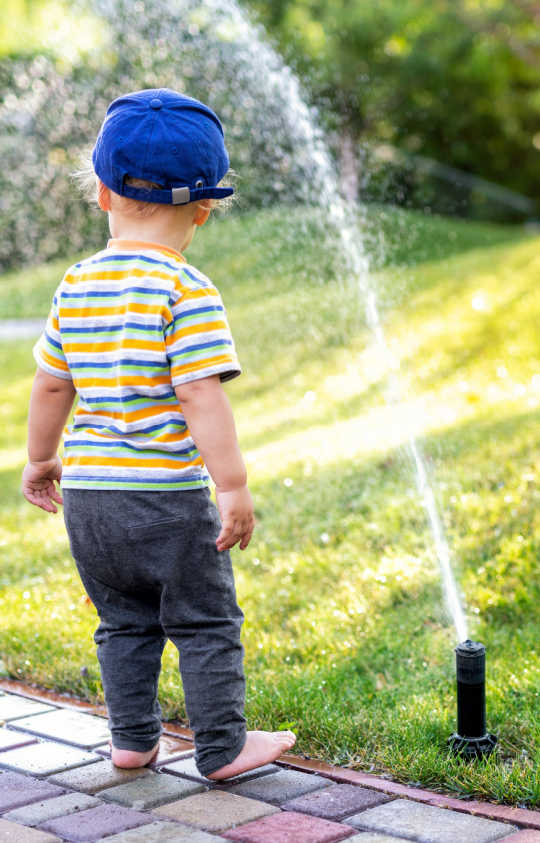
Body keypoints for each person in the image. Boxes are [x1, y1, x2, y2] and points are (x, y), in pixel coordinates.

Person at [21, 88, 296, 779]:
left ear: (105, 193)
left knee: (124, 622)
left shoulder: (75, 283)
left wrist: (38, 458)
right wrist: (231, 484)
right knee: (204, 621)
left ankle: (133, 740)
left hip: (88, 498)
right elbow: (198, 392)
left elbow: (52, 383)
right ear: (205, 209)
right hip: (165, 499)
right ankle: (223, 745)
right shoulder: (185, 288)